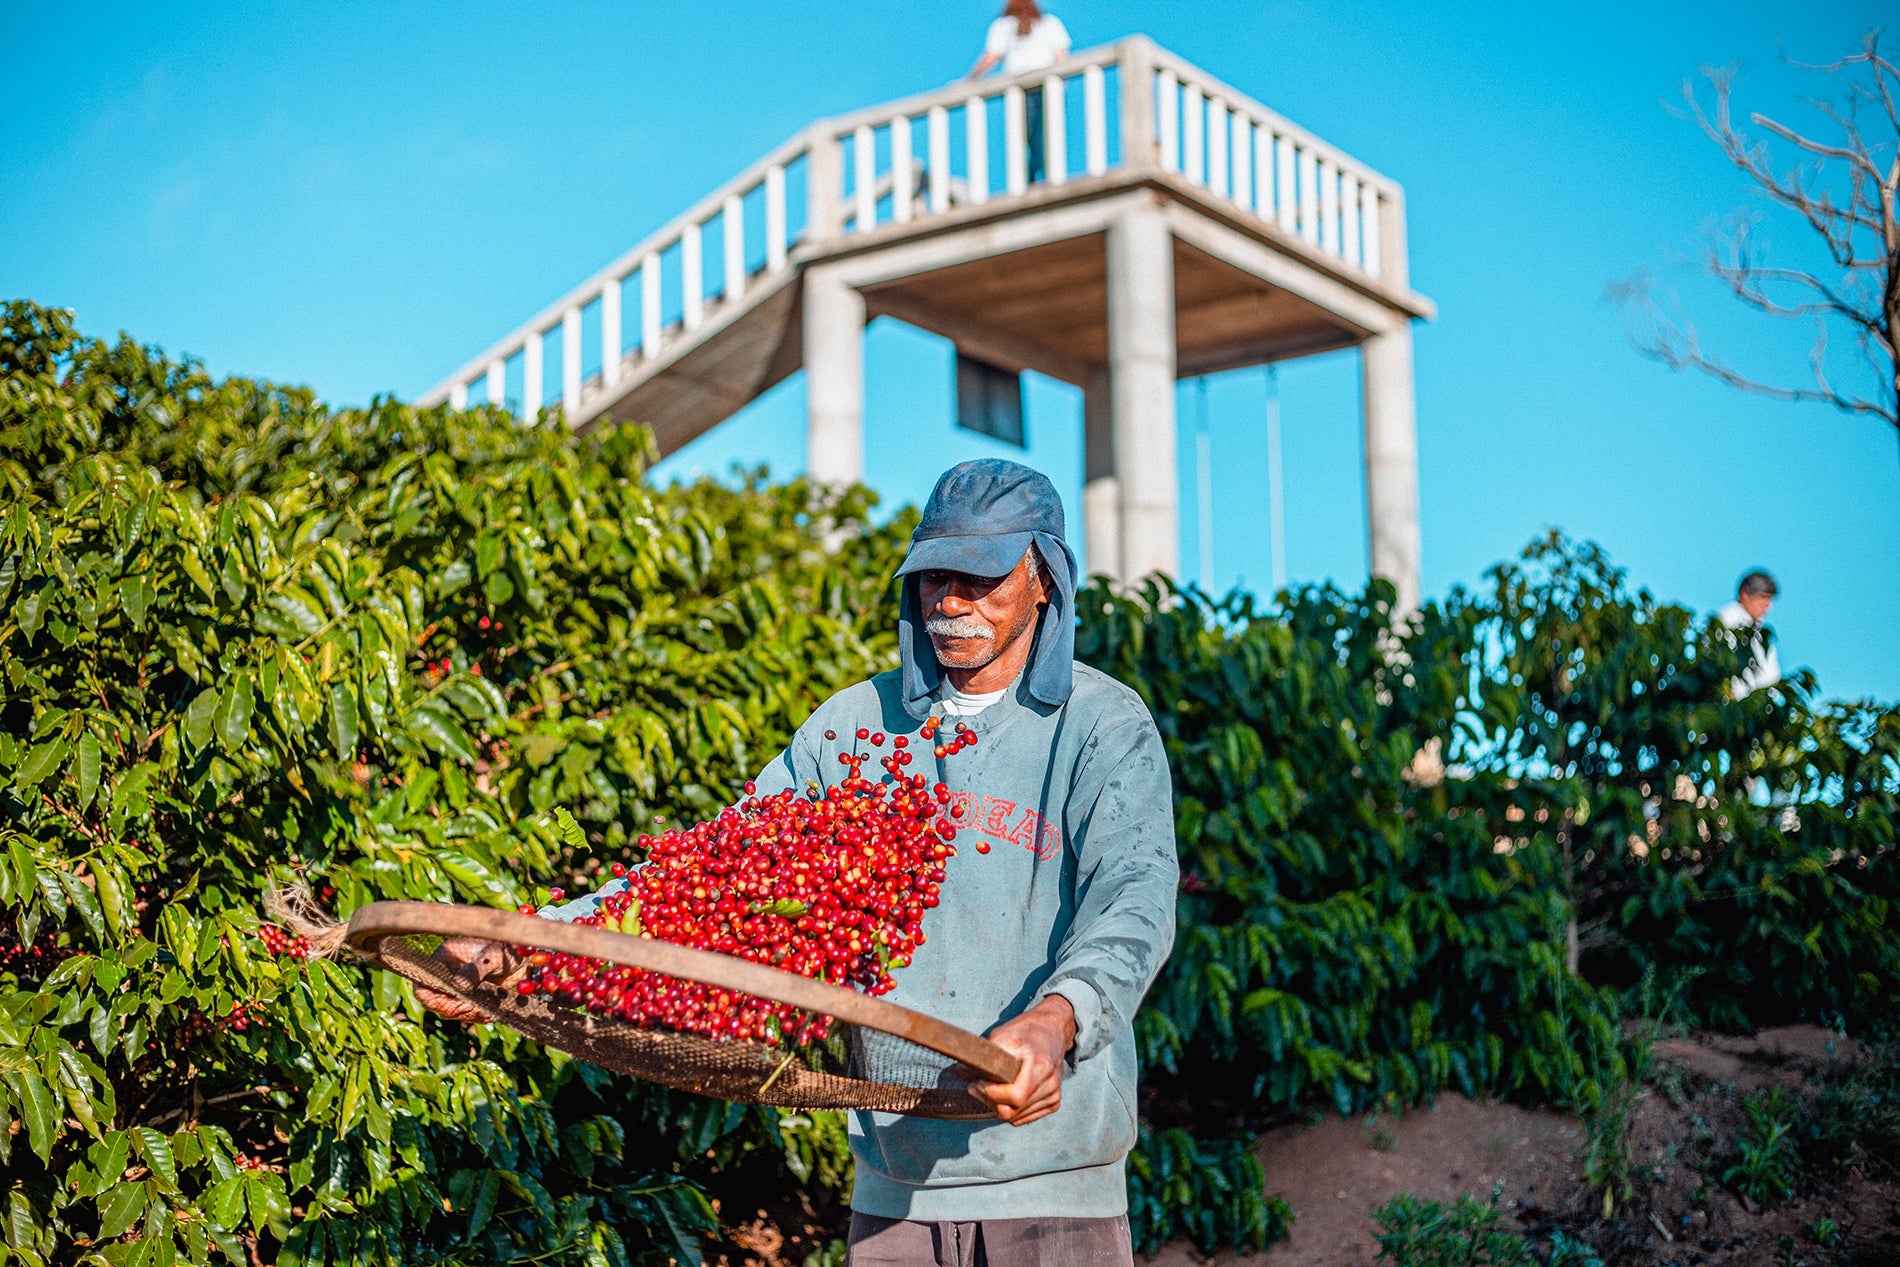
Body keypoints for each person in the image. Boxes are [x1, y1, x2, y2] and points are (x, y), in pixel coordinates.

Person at [421, 459, 1178, 1266]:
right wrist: (529, 943)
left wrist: (1056, 1019)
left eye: (982, 578)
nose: (951, 603)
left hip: (1053, 1182)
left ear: (1044, 579)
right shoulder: (853, 729)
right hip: (894, 1185)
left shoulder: (1101, 725)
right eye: (933, 578)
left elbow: (1133, 905)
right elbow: (707, 876)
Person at [966, 1, 1071, 186]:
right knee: (1037, 137)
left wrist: (970, 80)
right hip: (1030, 90)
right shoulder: (1014, 25)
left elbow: (992, 56)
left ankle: (1035, 179)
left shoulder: (1041, 23)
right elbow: (1062, 55)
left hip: (1037, 88)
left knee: (1032, 138)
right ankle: (1035, 179)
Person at [1716, 570, 1780, 698]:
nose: (1767, 606)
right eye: (1763, 597)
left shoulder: (1759, 631)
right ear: (1744, 594)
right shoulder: (1728, 621)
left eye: (1770, 599)